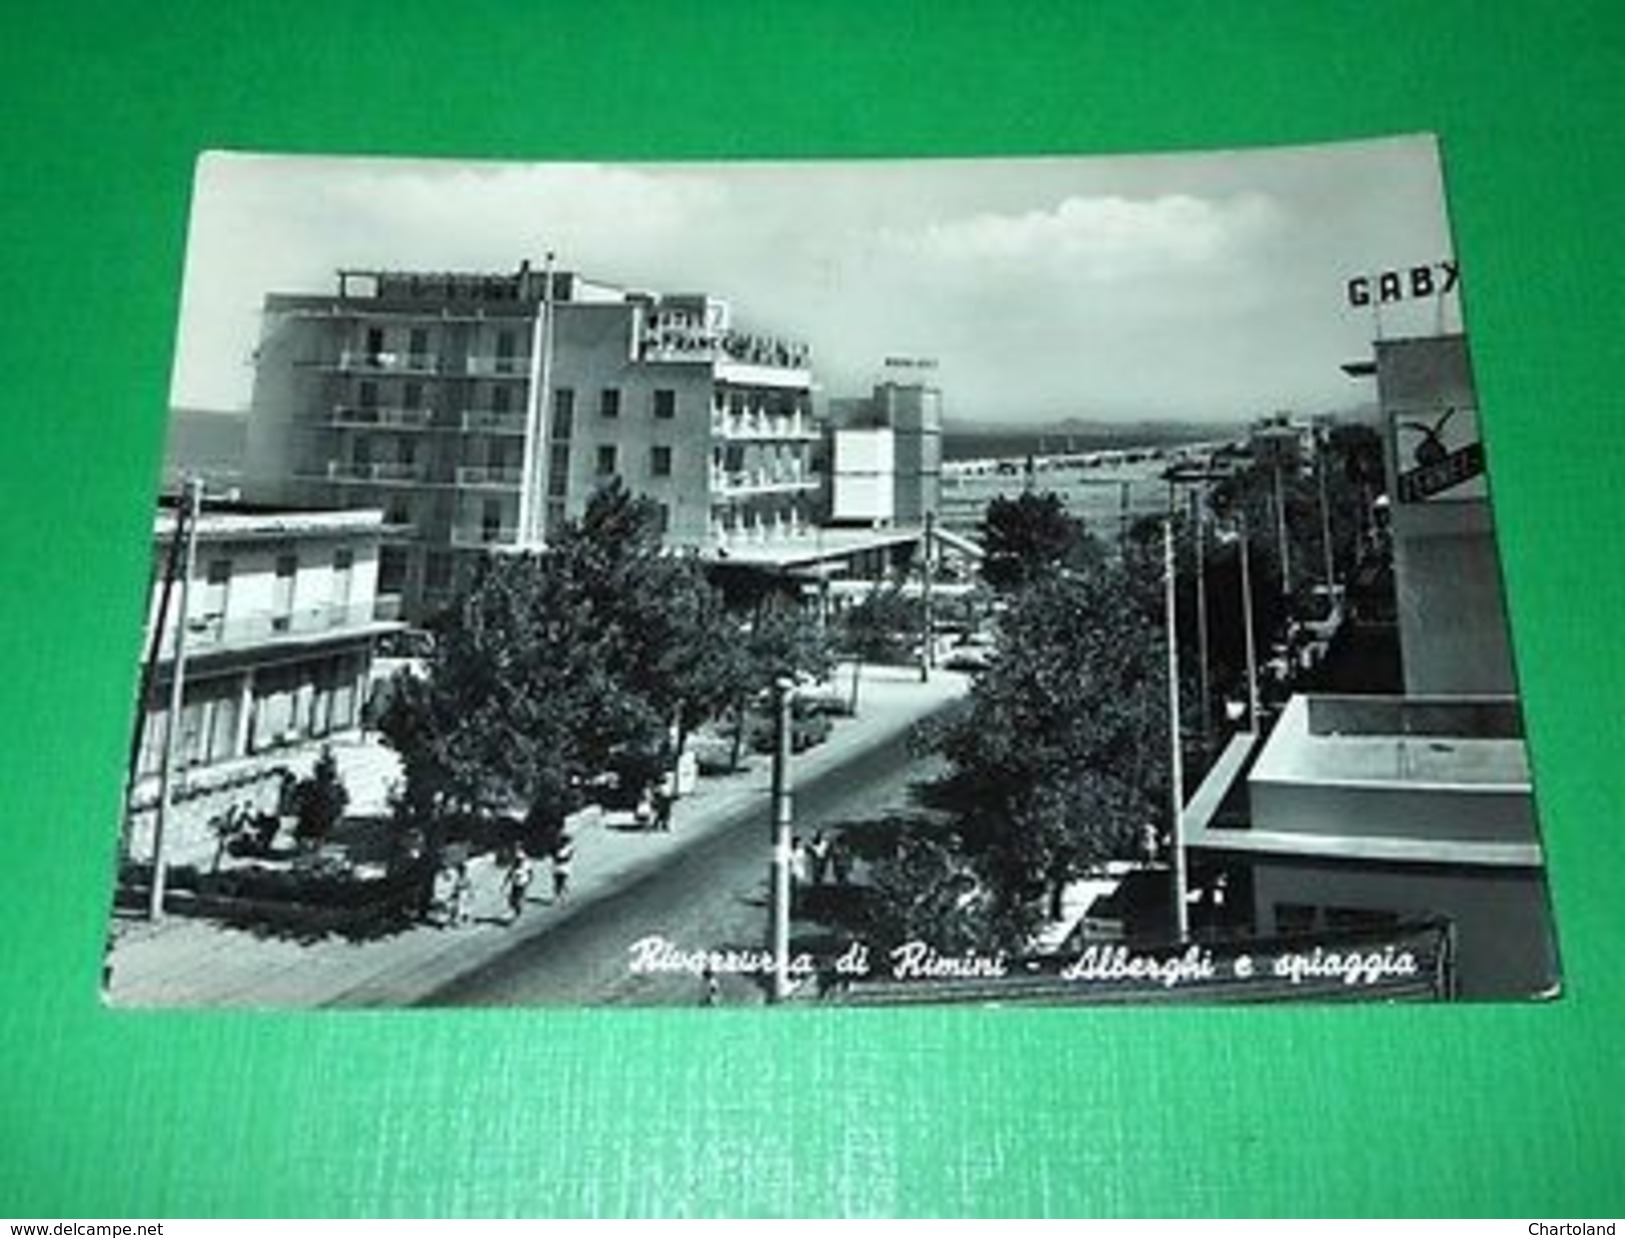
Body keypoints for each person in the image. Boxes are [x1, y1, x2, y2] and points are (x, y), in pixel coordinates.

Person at [503, 847, 533, 923]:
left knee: (517, 899)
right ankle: (517, 912)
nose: (518, 861)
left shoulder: (526, 865)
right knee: (511, 900)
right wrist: (505, 883)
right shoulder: (514, 865)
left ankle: (516, 914)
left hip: (522, 884)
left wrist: (528, 880)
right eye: (517, 860)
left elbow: (530, 873)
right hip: (515, 884)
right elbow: (509, 874)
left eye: (519, 860)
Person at [551, 834, 575, 901]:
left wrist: (558, 858)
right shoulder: (557, 848)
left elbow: (566, 858)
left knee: (560, 882)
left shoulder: (568, 848)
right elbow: (555, 856)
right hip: (557, 868)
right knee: (558, 883)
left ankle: (562, 896)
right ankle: (562, 895)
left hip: (564, 868)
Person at [450, 861, 473, 927]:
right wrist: (454, 892)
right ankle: (455, 920)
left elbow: (468, 885)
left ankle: (464, 917)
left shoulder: (465, 878)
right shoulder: (458, 878)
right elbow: (455, 886)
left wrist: (470, 893)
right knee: (457, 906)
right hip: (460, 893)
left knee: (464, 905)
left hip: (464, 893)